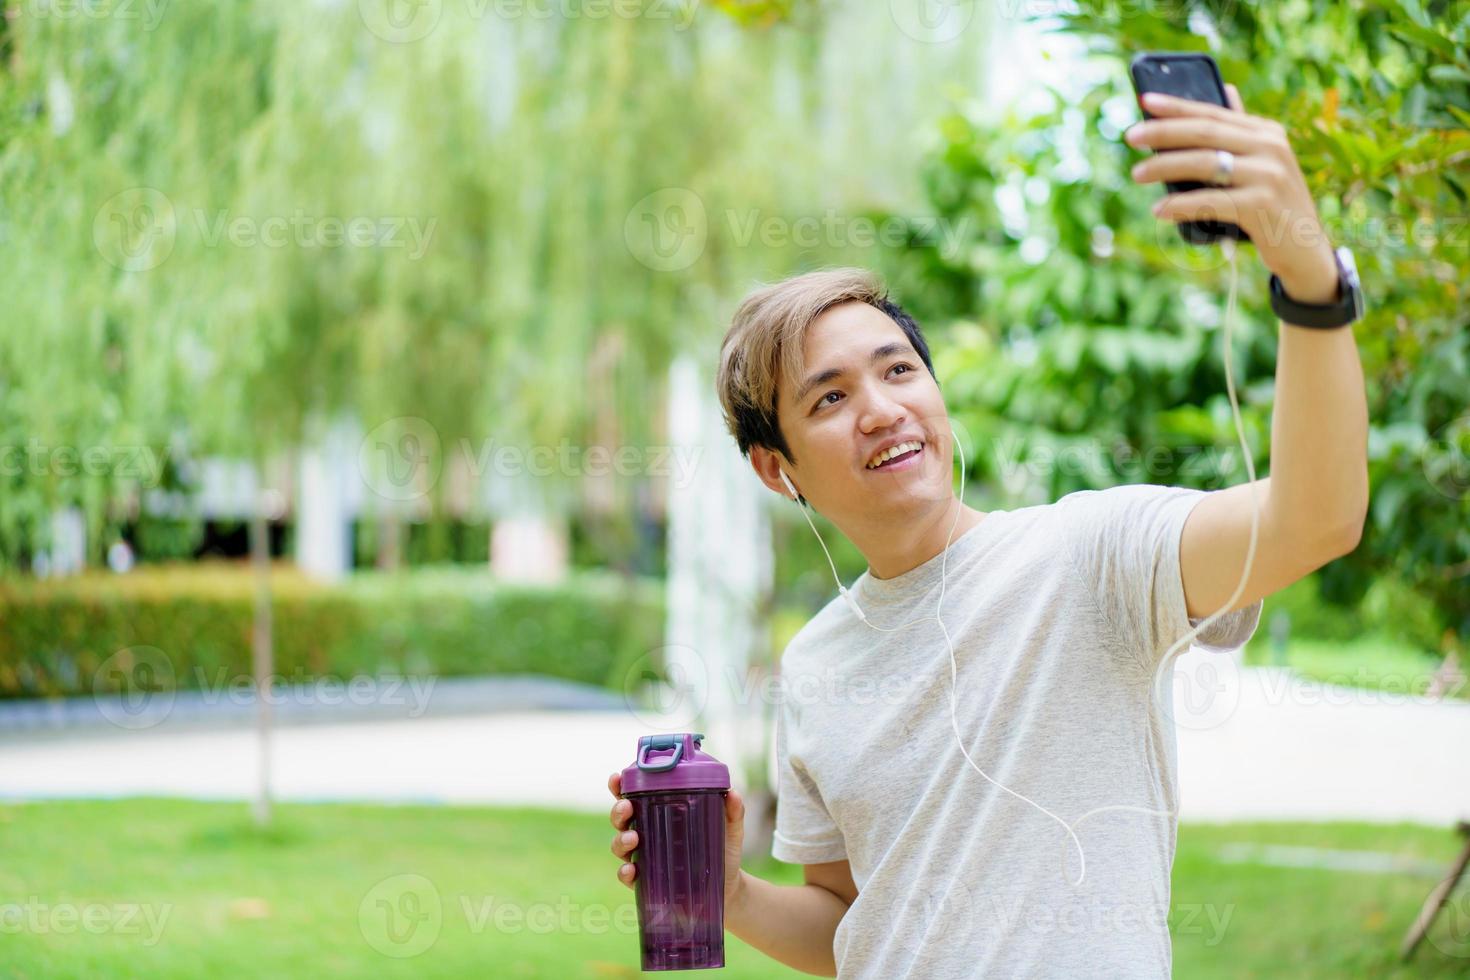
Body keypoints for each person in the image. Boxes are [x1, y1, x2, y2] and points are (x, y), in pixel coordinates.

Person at [609, 90, 1368, 978]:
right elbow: (852, 919)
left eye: (899, 370)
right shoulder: (816, 666)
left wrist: (1308, 278)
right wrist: (730, 896)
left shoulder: (1093, 554)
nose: (883, 409)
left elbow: (1318, 516)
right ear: (776, 468)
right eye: (830, 397)